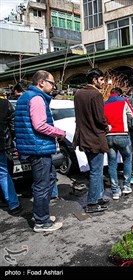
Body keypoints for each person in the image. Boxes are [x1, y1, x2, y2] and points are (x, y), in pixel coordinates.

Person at [14, 70, 65, 232]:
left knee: (48, 180)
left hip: (34, 146)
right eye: (52, 83)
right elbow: (40, 125)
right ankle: (42, 221)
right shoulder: (36, 98)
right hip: (39, 148)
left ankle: (41, 214)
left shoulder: (25, 97)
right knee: (42, 185)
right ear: (41, 82)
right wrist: (59, 133)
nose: (53, 86)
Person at [73, 68, 110, 214]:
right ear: (94, 80)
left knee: (97, 170)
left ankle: (98, 197)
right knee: (96, 171)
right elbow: (100, 118)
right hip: (95, 137)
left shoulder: (78, 93)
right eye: (101, 79)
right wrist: (107, 127)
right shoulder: (95, 94)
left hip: (84, 137)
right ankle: (92, 202)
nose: (103, 82)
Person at [104, 87, 133, 200]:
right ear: (120, 94)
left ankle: (115, 191)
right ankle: (126, 186)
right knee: (127, 159)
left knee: (112, 163)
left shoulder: (104, 103)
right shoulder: (123, 101)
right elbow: (132, 114)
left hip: (108, 136)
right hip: (122, 134)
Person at [0, 98, 22, 215]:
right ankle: (14, 205)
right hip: (1, 145)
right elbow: (14, 124)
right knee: (3, 174)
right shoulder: (4, 104)